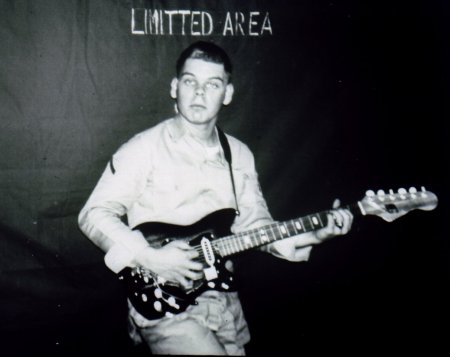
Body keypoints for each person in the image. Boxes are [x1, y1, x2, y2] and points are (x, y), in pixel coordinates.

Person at [78, 40, 353, 355]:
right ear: (174, 86)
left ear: (228, 93)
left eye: (213, 84)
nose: (199, 93)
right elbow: (93, 214)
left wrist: (315, 235)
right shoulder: (143, 149)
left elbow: (256, 227)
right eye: (190, 81)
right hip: (164, 303)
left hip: (223, 301)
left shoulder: (238, 154)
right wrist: (149, 256)